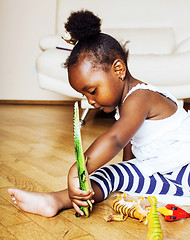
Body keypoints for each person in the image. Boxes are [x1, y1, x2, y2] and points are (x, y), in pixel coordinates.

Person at [8, 10, 190, 217]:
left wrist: (79, 168)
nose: (90, 101)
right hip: (165, 174)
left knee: (111, 173)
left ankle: (57, 199)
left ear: (118, 69)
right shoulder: (127, 106)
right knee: (111, 174)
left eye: (92, 91)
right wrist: (127, 177)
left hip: (184, 170)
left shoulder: (140, 97)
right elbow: (130, 147)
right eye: (84, 94)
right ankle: (54, 201)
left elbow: (115, 139)